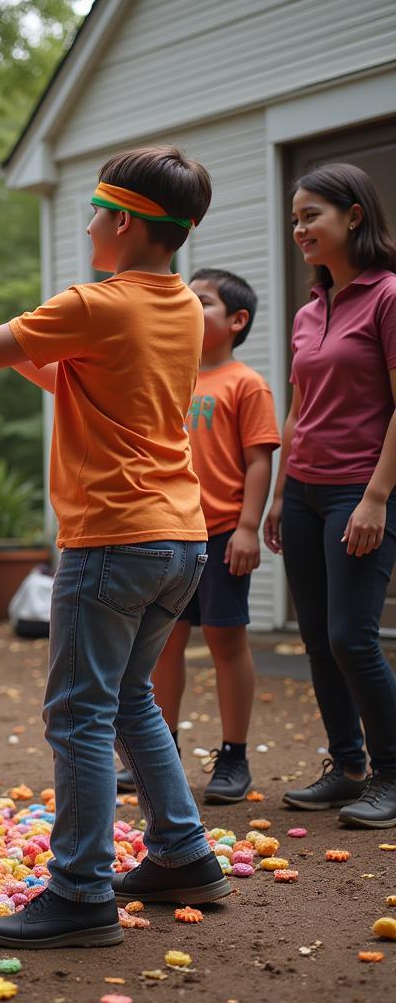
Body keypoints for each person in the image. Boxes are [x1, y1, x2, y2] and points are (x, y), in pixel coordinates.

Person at [0, 146, 231, 950]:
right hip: (179, 539)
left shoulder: (96, 301)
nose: (91, 226)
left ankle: (79, 892)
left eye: (98, 214)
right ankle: (182, 853)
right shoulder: (178, 306)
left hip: (111, 538)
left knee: (78, 716)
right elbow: (78, 381)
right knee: (130, 700)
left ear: (126, 222)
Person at [265, 163, 396, 827]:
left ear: (354, 215)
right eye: (294, 219)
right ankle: (346, 767)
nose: (300, 229)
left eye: (311, 215)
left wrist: (376, 497)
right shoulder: (310, 310)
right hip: (306, 489)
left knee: (353, 637)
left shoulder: (389, 296)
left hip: (359, 488)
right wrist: (282, 492)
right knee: (317, 638)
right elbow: (299, 408)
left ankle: (391, 772)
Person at [118, 269, 279, 803]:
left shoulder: (245, 383)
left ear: (237, 321)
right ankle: (160, 753)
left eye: (202, 301)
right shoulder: (174, 375)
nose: (189, 305)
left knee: (226, 643)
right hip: (169, 531)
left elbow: (258, 462)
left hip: (222, 533)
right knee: (163, 647)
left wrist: (248, 529)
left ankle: (234, 756)